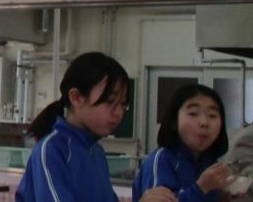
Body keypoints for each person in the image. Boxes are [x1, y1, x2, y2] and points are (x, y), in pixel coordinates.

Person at [17, 51, 175, 202]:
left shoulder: (96, 152)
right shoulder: (52, 150)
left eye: (123, 104)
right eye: (110, 101)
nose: (118, 112)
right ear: (76, 98)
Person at [133, 84, 230, 202]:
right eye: (193, 113)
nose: (204, 122)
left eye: (212, 115)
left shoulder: (210, 163)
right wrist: (201, 188)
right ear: (174, 121)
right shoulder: (162, 159)